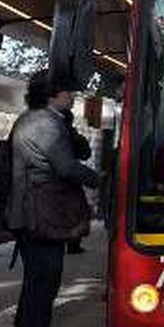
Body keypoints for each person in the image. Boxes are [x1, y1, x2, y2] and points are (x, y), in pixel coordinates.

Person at [7, 71, 98, 327]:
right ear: (52, 94)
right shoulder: (46, 124)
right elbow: (67, 167)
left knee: (35, 278)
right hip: (42, 213)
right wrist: (102, 179)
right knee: (46, 279)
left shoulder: (29, 118)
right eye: (68, 91)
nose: (72, 96)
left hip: (28, 210)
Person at [61, 107, 92, 255]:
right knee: (77, 213)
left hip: (53, 182)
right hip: (70, 181)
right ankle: (73, 244)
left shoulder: (47, 133)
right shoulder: (72, 136)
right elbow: (85, 153)